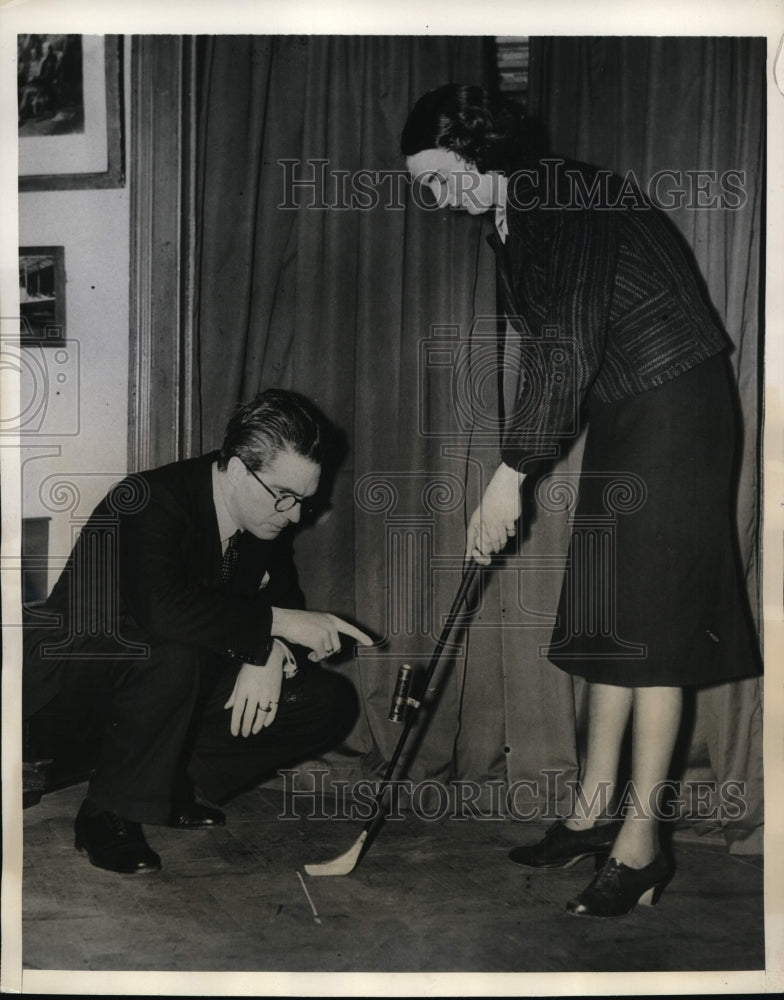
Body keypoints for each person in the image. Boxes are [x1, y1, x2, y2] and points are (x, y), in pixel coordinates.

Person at [401, 84, 761, 917]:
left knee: (657, 631)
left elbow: (562, 346)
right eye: (425, 184)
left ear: (482, 149)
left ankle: (640, 847)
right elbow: (557, 350)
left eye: (442, 176)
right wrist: (520, 463)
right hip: (629, 409)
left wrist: (512, 472)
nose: (435, 196)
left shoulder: (564, 197)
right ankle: (592, 815)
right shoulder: (516, 211)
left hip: (676, 408)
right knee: (610, 613)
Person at [23, 388, 370, 875]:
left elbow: (283, 601)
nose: (294, 515)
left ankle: (170, 788)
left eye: (303, 502)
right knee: (172, 653)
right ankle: (107, 813)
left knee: (325, 700)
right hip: (70, 693)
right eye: (285, 497)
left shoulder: (263, 519)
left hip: (166, 683)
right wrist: (272, 630)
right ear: (234, 466)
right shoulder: (147, 500)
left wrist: (267, 649)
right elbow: (161, 612)